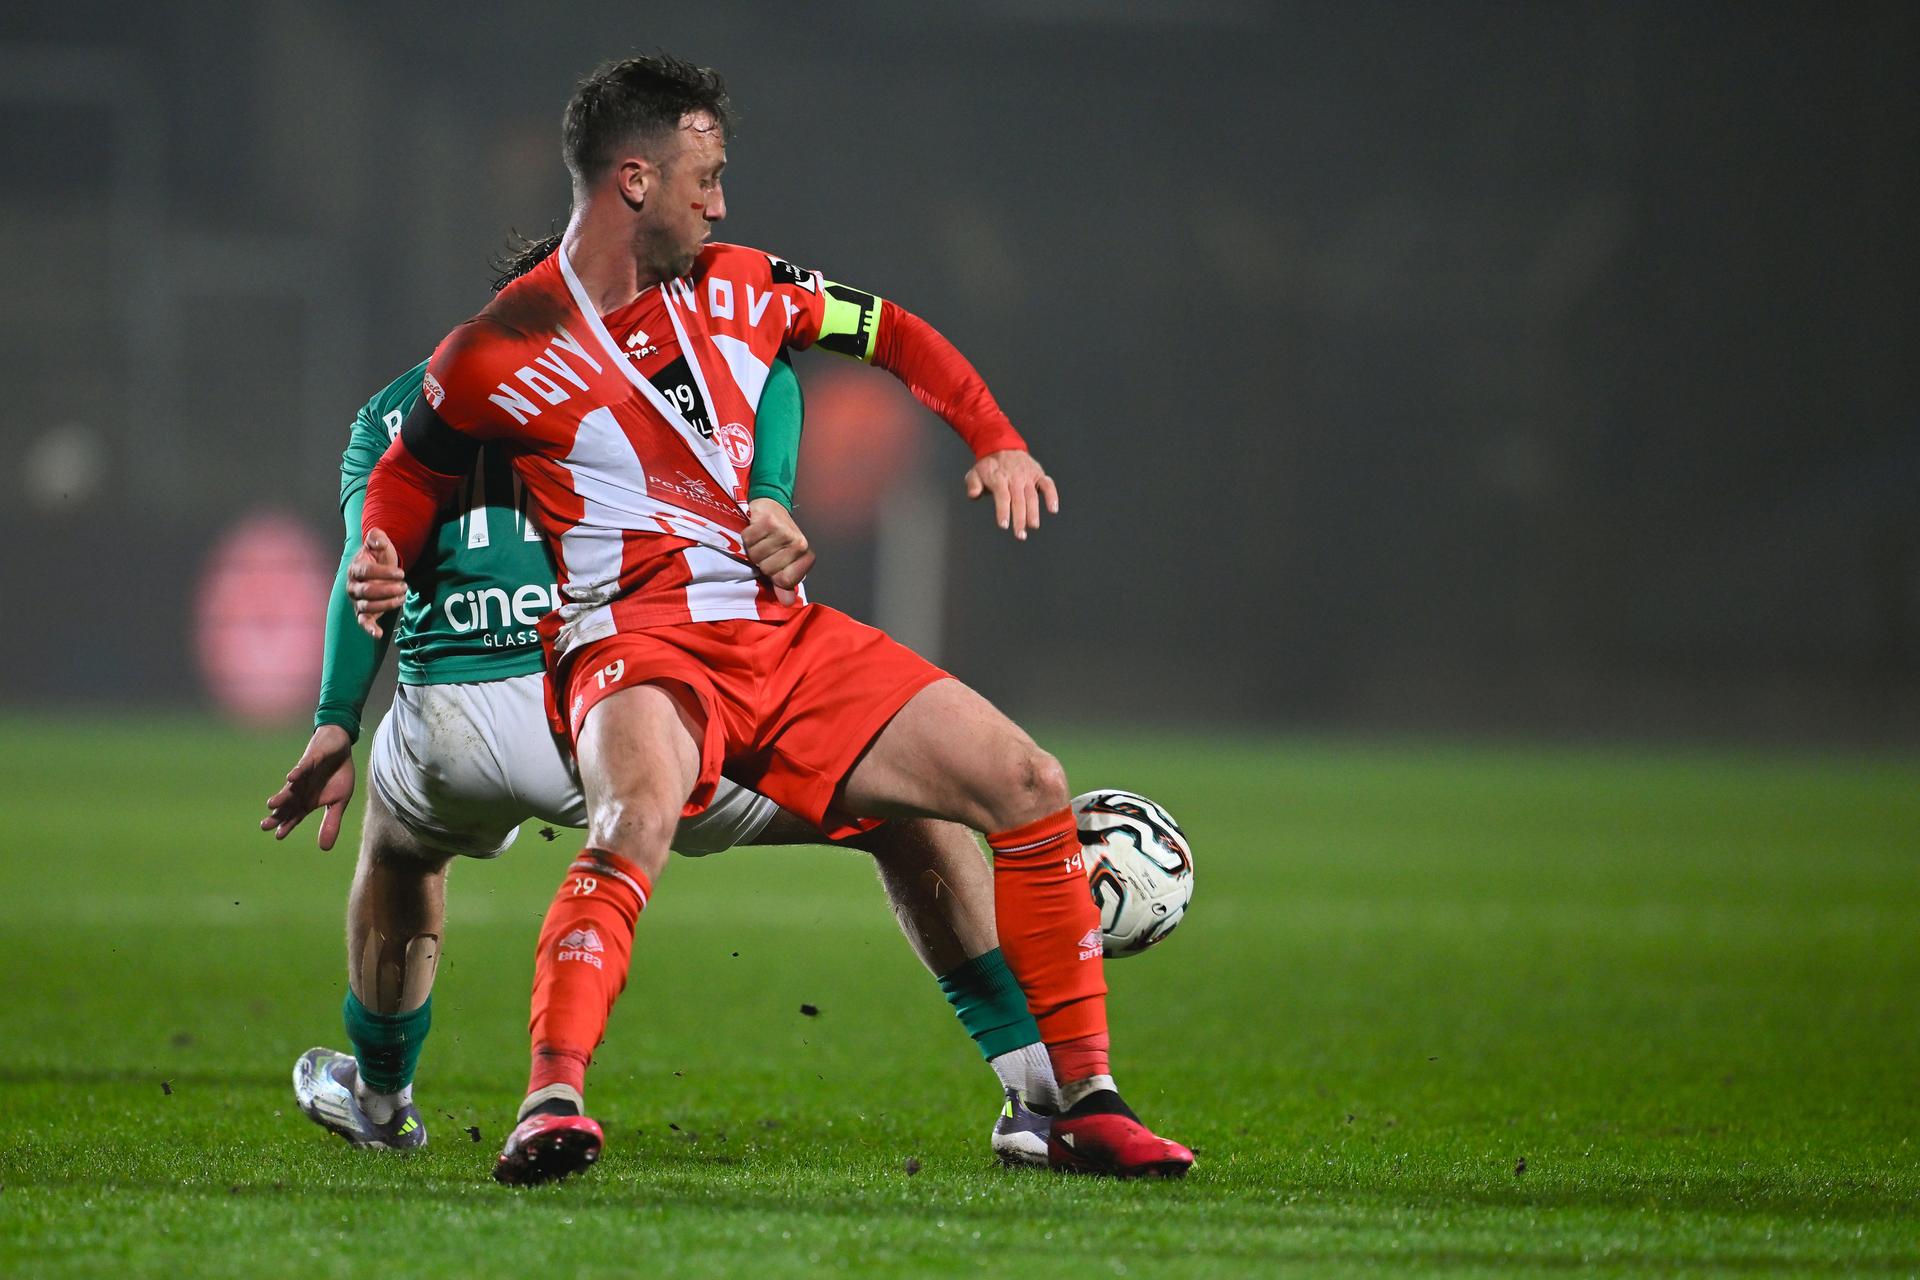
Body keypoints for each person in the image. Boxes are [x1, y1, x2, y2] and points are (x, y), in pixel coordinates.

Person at [351, 53, 1193, 1183]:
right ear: (635, 179)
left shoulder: (747, 282)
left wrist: (991, 435)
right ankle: (551, 1100)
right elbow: (411, 469)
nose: (723, 201)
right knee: (632, 818)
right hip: (632, 646)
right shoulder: (501, 346)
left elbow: (894, 333)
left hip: (781, 639)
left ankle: (1083, 1099)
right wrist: (380, 548)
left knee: (1027, 783)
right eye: (707, 176)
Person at [264, 242, 1056, 1168]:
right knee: (901, 808)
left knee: (400, 843)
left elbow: (372, 573)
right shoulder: (662, 364)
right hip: (635, 697)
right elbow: (776, 377)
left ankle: (383, 1095)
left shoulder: (402, 406)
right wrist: (768, 496)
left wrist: (334, 720)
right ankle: (1038, 1092)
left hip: (464, 723)